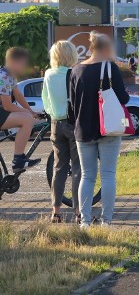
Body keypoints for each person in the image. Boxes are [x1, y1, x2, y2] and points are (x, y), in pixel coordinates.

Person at [70, 32, 130, 228]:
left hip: (83, 129)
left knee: (87, 176)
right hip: (109, 129)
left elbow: (72, 105)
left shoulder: (76, 70)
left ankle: (84, 221)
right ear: (106, 49)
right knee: (108, 174)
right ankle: (106, 220)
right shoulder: (110, 68)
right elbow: (123, 98)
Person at [42, 41, 80, 224]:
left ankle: (55, 212)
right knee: (78, 169)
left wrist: (53, 113)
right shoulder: (74, 73)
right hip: (73, 124)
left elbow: (46, 101)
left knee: (59, 168)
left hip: (56, 124)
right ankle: (79, 211)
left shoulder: (48, 74)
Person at [0, 47, 40, 173]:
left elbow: (18, 95)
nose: (24, 67)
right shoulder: (4, 76)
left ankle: (19, 158)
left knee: (28, 117)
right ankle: (18, 161)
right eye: (23, 63)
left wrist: (31, 111)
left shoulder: (9, 75)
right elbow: (7, 106)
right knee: (27, 120)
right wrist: (28, 114)